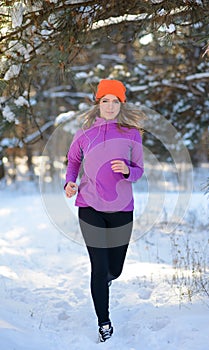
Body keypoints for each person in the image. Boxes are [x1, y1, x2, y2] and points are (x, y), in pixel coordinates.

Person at [64, 79, 144, 342]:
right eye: (105, 100)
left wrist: (128, 171)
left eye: (116, 101)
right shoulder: (85, 133)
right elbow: (74, 160)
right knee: (98, 268)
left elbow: (139, 170)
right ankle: (104, 322)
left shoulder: (132, 133)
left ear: (122, 104)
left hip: (122, 208)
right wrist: (70, 181)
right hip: (89, 206)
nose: (110, 106)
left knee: (115, 269)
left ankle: (108, 278)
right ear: (98, 103)